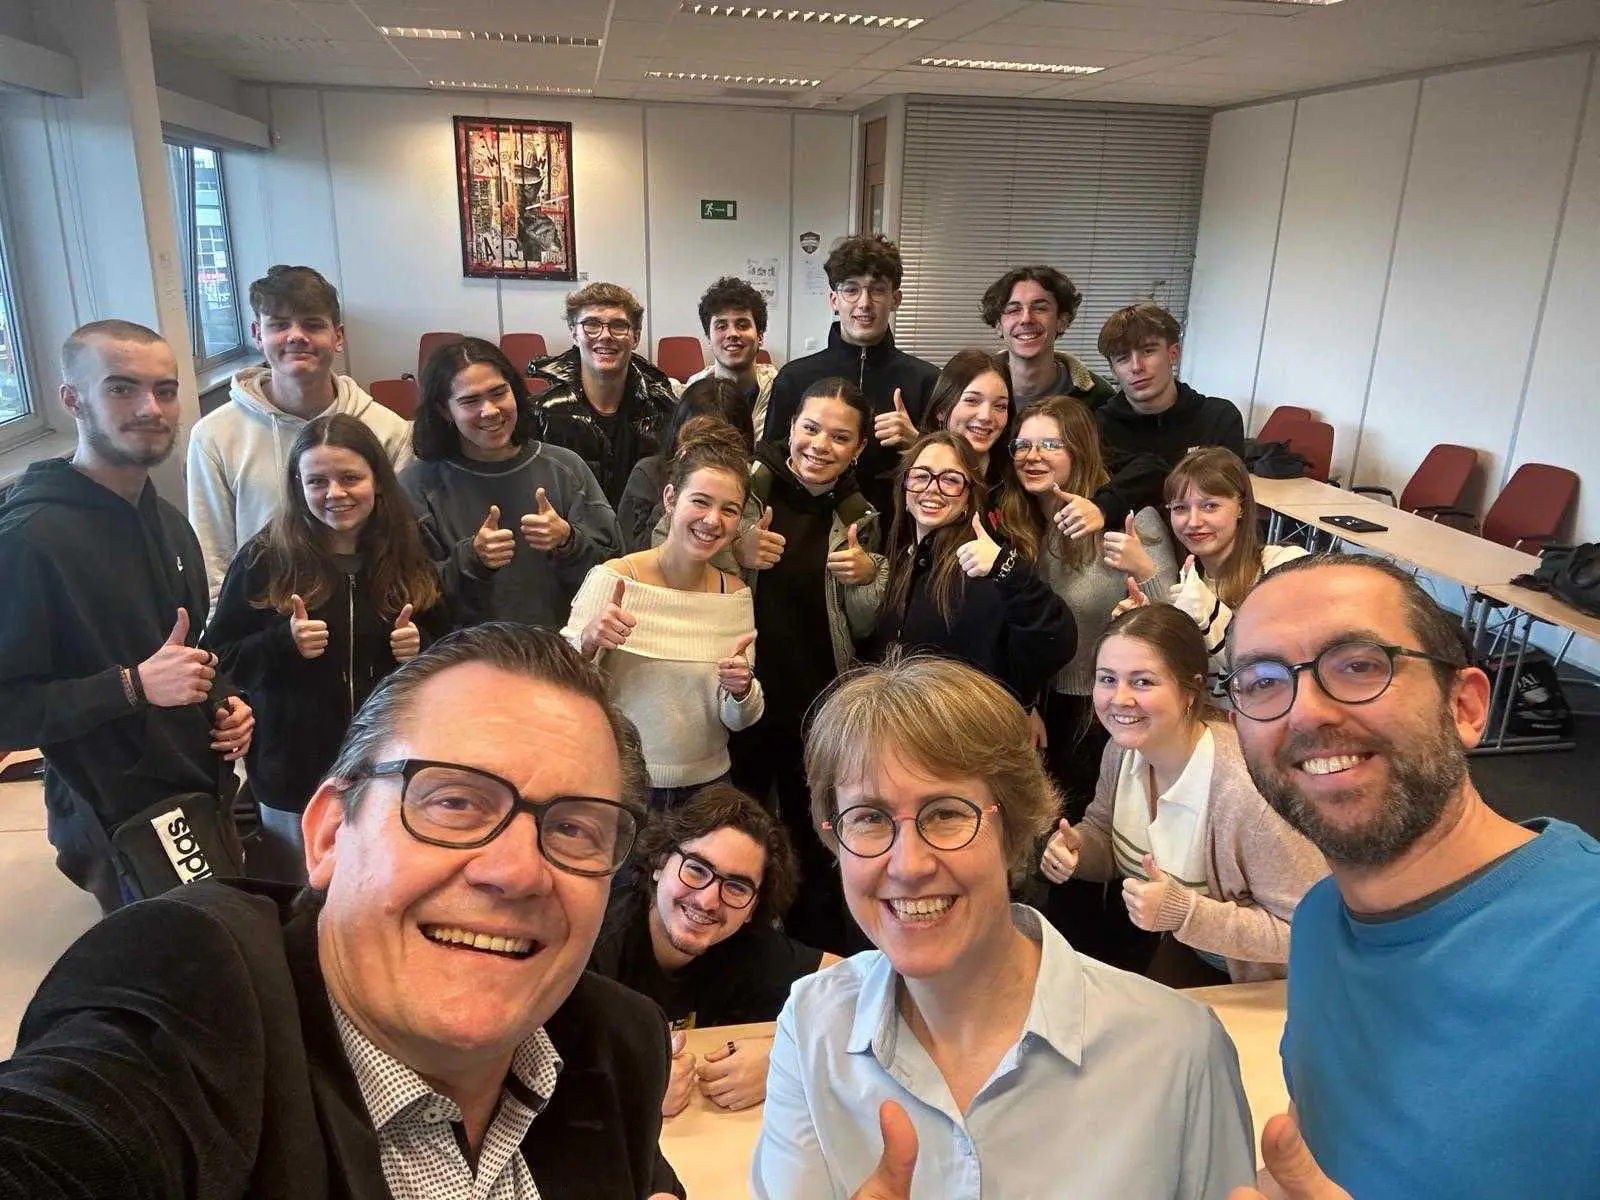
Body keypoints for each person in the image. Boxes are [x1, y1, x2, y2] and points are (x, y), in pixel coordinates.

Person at [0, 623, 684, 1198]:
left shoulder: (619, 1043)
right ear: (329, 833)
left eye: (573, 829)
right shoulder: (194, 997)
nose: (515, 872)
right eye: (453, 802)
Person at [751, 653, 1255, 1199]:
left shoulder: (1176, 1050)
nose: (907, 864)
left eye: (945, 813)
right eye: (869, 818)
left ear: (1013, 829)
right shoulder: (811, 1026)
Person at [1223, 554, 1600, 1200]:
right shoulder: (1320, 922)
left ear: (1465, 707)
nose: (1306, 714)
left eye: (1359, 666)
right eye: (1262, 681)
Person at [0, 320, 253, 914]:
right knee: (189, 971)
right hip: (117, 814)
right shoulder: (28, 541)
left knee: (236, 944)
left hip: (197, 785)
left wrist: (227, 698)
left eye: (165, 390)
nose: (151, 408)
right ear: (72, 399)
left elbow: (190, 649)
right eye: (121, 388)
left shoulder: (168, 523)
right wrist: (132, 686)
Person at [204, 413, 447, 880]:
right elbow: (220, 657)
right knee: (299, 892)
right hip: (293, 775)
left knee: (375, 883)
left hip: (388, 764)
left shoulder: (411, 549)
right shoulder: (266, 556)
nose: (334, 494)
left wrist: (422, 648)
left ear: (377, 480)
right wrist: (282, 643)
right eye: (317, 481)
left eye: (350, 478)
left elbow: (451, 647)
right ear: (299, 487)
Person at [1040, 605, 1325, 985]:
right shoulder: (1122, 751)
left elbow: (1310, 933)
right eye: (1107, 679)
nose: (1119, 699)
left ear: (1190, 691)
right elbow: (1105, 836)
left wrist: (1184, 914)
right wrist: (1078, 851)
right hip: (1189, 952)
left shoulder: (1247, 792)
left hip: (1272, 986)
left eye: (1142, 682)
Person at [998, 393, 1175, 965]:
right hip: (1049, 708)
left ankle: (1120, 965)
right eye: (1023, 443)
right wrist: (1025, 699)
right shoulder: (1028, 522)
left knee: (1116, 849)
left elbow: (1172, 619)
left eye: (1049, 442)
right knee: (1059, 846)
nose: (1033, 454)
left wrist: (1144, 576)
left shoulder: (1126, 518)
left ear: (1078, 448)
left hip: (1115, 712)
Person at [727, 376, 886, 954]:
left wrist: (868, 580)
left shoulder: (861, 514)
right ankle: (734, 945)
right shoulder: (743, 490)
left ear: (860, 447)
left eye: (840, 437)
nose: (820, 445)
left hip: (820, 705)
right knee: (735, 828)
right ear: (789, 426)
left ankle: (811, 960)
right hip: (737, 699)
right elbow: (678, 550)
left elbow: (866, 624)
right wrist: (736, 551)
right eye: (810, 428)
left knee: (813, 838)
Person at [588, 783, 840, 1116]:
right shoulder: (593, 942)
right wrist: (633, 1089)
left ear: (752, 908)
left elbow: (860, 988)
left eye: (736, 887)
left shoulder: (748, 945)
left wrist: (785, 1057)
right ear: (660, 863)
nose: (708, 900)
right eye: (696, 869)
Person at [563, 419, 764, 809]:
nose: (712, 521)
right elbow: (560, 679)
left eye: (729, 510)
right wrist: (588, 639)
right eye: (701, 501)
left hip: (709, 789)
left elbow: (737, 718)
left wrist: (742, 690)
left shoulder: (735, 595)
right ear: (671, 498)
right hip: (624, 786)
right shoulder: (616, 578)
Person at [187, 265, 413, 606]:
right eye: (279, 325)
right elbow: (212, 557)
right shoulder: (215, 435)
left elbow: (399, 544)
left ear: (338, 336)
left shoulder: (389, 430)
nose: (296, 336)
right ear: (257, 334)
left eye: (312, 324)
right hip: (260, 624)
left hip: (365, 615)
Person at [401, 336, 619, 628]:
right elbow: (409, 594)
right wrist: (471, 558)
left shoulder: (566, 468)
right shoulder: (417, 485)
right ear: (444, 411)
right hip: (462, 659)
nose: (490, 411)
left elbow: (616, 569)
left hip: (559, 652)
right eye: (470, 401)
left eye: (498, 393)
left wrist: (569, 541)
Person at [868, 431, 1075, 706]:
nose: (932, 488)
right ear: (904, 488)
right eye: (921, 476)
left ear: (968, 498)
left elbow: (1056, 641)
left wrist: (1006, 569)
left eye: (951, 480)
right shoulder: (903, 559)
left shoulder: (985, 566)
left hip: (962, 737)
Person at [760, 234, 940, 516]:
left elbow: (948, 473)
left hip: (896, 528)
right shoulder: (794, 378)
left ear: (896, 299)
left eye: (877, 290)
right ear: (834, 300)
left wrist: (916, 441)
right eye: (851, 290)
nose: (864, 303)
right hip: (808, 527)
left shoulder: (927, 380)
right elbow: (771, 463)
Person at [1114, 447, 1307, 680]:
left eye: (1210, 506)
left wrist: (1204, 608)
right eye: (1180, 508)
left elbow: (1265, 672)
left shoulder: (1284, 567)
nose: (1193, 522)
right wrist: (1144, 628)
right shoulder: (1192, 578)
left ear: (1241, 507)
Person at [532, 281, 678, 507]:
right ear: (574, 334)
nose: (605, 335)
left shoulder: (664, 409)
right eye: (591, 324)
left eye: (619, 326)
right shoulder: (542, 413)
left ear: (636, 337)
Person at [1095, 302, 1245, 467]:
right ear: (1113, 370)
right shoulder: (1097, 428)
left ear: (1173, 354)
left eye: (1148, 351)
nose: (1136, 367)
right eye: (1123, 358)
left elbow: (1230, 490)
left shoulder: (1219, 419)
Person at [617, 375, 754, 553]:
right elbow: (633, 551)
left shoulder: (747, 482)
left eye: (722, 442)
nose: (710, 452)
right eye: (699, 438)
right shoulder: (648, 474)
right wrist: (679, 485)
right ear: (681, 431)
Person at [979, 265, 1114, 409]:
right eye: (1013, 310)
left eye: (1040, 308)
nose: (1026, 319)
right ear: (999, 325)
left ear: (1062, 321)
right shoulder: (967, 390)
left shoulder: (1099, 398)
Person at [683, 275, 779, 436]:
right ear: (708, 338)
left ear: (760, 336)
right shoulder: (691, 395)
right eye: (721, 326)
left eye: (742, 325)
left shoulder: (780, 393)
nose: (732, 333)